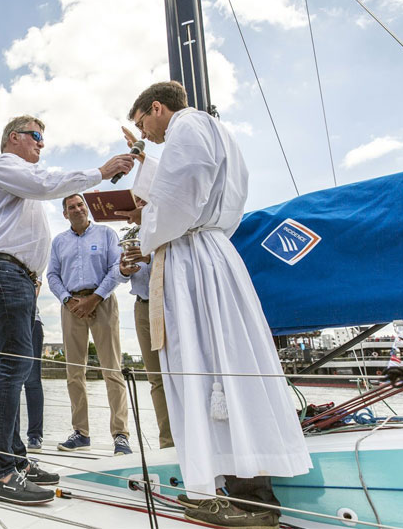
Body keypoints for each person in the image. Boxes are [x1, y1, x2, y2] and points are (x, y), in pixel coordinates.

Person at [122, 82, 311, 527]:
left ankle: (234, 494)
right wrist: (148, 172)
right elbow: (190, 189)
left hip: (191, 261)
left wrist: (144, 222)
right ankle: (240, 485)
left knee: (201, 365)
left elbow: (177, 199)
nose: (146, 133)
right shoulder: (217, 131)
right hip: (212, 252)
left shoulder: (188, 126)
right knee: (220, 363)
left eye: (143, 123)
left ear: (156, 107)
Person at [0, 115, 137, 505]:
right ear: (13, 138)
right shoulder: (4, 165)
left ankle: (15, 459)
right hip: (4, 270)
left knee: (21, 365)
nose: (41, 144)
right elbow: (47, 184)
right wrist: (101, 171)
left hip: (19, 277)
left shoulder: (19, 179)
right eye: (36, 136)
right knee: (14, 367)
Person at [47, 193, 132, 455]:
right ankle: (81, 432)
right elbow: (51, 274)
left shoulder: (106, 234)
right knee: (74, 372)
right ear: (65, 214)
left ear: (87, 208)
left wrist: (95, 298)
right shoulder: (59, 242)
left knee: (112, 369)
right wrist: (66, 299)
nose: (77, 209)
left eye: (80, 204)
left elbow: (116, 269)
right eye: (71, 207)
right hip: (71, 305)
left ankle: (120, 434)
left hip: (102, 300)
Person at [118, 240, 174, 449]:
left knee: (181, 374)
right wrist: (123, 271)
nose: (139, 204)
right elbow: (118, 277)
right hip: (142, 307)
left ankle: (195, 439)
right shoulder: (133, 238)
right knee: (155, 378)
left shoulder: (168, 229)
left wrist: (149, 258)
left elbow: (181, 263)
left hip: (171, 304)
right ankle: (168, 444)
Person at [24, 293, 44, 453]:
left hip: (31, 320)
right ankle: (9, 434)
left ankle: (35, 435)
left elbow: (34, 290)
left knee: (32, 381)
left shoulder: (33, 266)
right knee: (8, 381)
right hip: (3, 318)